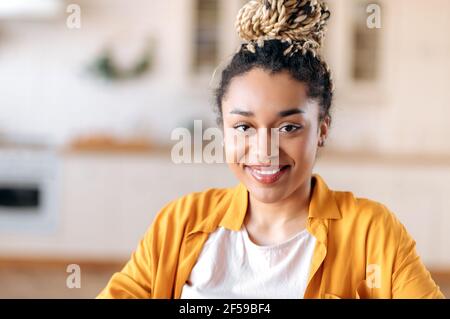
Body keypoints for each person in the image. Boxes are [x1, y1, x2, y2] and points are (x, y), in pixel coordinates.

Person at [97, 0, 445, 299]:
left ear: (322, 130)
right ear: (224, 130)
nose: (263, 151)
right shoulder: (181, 221)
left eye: (289, 127)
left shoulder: (371, 232)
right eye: (244, 127)